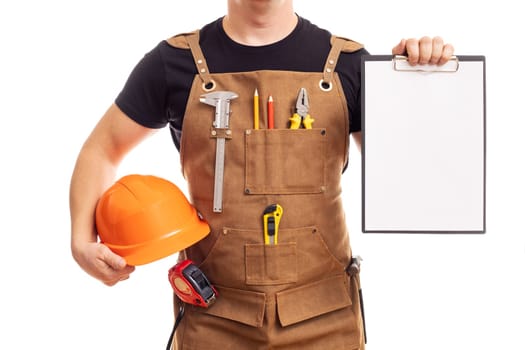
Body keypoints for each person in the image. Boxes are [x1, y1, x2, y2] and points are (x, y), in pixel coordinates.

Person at [69, 1, 454, 348]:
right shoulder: (175, 63)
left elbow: (410, 182)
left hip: (328, 322)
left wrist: (417, 84)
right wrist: (81, 242)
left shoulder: (348, 64)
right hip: (212, 320)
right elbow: (102, 150)